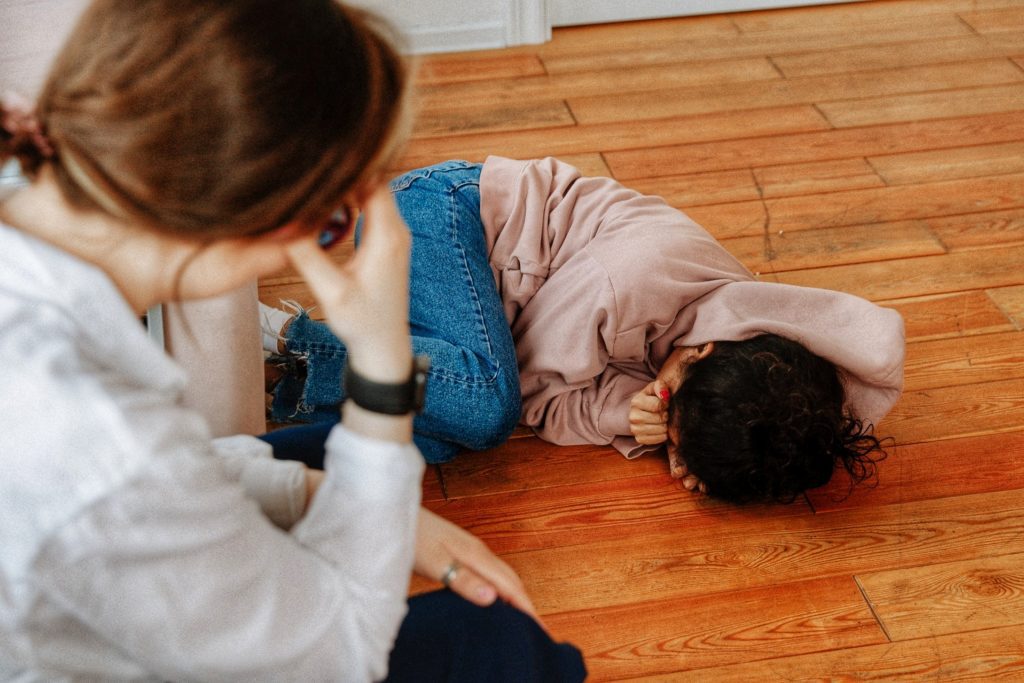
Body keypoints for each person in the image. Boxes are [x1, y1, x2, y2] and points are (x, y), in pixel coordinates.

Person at [0, 2, 585, 680]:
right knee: (502, 643)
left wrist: (302, 491)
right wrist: (382, 368)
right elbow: (344, 654)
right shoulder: (103, 444)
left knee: (316, 452)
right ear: (279, 222)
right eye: (332, 217)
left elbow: (165, 469)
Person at [261, 157, 905, 504]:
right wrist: (628, 415)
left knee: (430, 444)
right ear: (700, 353)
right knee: (484, 410)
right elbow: (533, 399)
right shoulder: (628, 284)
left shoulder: (738, 349)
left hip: (485, 300)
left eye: (674, 455)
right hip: (437, 214)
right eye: (672, 428)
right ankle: (299, 343)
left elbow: (773, 423)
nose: (667, 451)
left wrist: (705, 452)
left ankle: (281, 405)